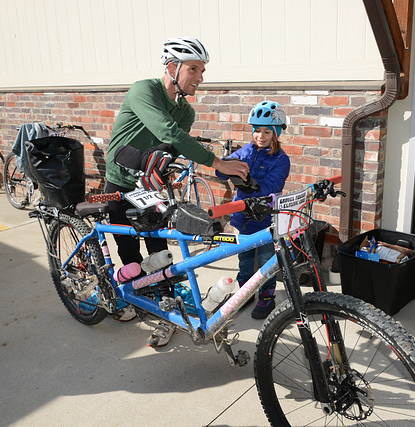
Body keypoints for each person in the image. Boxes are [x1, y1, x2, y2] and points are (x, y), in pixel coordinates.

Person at [105, 37, 249, 347]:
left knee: (160, 251)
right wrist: (217, 163)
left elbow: (169, 145)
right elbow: (165, 132)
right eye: (194, 69)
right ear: (172, 68)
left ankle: (166, 314)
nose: (200, 77)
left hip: (149, 185)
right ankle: (135, 299)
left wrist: (162, 169)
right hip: (119, 179)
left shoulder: (186, 112)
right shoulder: (143, 89)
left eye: (203, 70)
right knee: (128, 250)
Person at [216, 101, 291, 319]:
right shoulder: (246, 151)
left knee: (267, 260)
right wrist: (223, 166)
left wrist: (246, 180)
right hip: (242, 218)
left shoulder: (281, 160)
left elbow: (270, 188)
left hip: (266, 219)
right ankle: (245, 292)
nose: (261, 135)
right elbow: (223, 171)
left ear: (276, 133)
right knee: (245, 259)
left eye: (267, 131)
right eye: (257, 130)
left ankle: (267, 298)